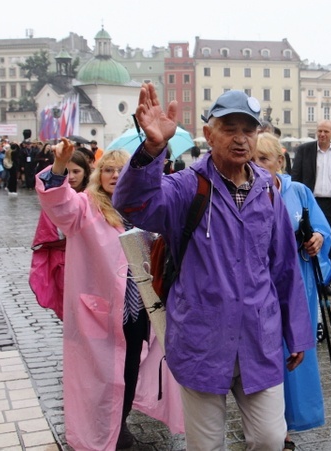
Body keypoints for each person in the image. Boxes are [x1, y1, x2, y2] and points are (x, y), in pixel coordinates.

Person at [113, 84, 314, 450]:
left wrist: (296, 330)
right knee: (206, 445)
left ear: (258, 135)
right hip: (201, 340)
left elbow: (284, 266)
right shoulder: (187, 187)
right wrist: (154, 149)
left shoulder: (268, 190)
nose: (240, 139)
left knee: (270, 438)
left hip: (259, 337)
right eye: (229, 128)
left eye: (248, 130)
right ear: (209, 134)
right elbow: (131, 205)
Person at [36, 139, 183, 449]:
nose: (116, 175)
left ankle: (121, 423)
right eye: (109, 169)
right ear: (98, 175)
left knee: (131, 370)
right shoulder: (84, 207)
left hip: (140, 309)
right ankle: (100, 433)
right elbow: (57, 203)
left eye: (123, 169)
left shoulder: (143, 210)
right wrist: (60, 165)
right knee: (98, 380)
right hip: (101, 313)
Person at [254, 132, 330, 443]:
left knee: (297, 348)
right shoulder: (247, 193)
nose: (257, 165)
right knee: (268, 352)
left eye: (263, 159)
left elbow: (323, 228)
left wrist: (318, 240)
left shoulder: (298, 191)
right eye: (252, 159)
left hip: (300, 285)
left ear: (280, 162)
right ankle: (272, 430)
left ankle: (292, 421)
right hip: (263, 287)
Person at [292, 120, 331, 296]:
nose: (322, 134)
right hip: (309, 205)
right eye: (319, 131)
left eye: (326, 131)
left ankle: (326, 282)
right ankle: (307, 280)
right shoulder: (304, 150)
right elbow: (295, 176)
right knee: (307, 242)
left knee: (330, 244)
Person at [29, 150, 92, 320]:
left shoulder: (93, 197)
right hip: (62, 260)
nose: (71, 177)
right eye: (68, 171)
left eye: (76, 171)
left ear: (86, 172)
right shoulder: (55, 197)